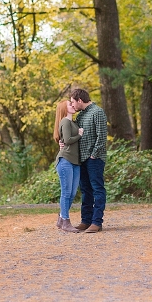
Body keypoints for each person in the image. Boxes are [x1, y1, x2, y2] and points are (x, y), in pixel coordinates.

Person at [70, 88, 107, 233]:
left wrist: (94, 154)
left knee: (97, 189)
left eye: (73, 102)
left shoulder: (97, 112)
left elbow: (102, 136)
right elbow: (75, 135)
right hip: (82, 158)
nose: (72, 105)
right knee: (85, 190)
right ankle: (86, 220)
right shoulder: (81, 116)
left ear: (80, 100)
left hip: (94, 158)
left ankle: (97, 222)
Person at [53, 99, 83, 233]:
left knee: (71, 194)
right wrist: (79, 135)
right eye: (69, 104)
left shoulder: (72, 122)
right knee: (66, 193)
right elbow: (66, 140)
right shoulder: (65, 121)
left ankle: (61, 219)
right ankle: (66, 222)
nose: (72, 105)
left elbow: (63, 140)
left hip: (75, 162)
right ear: (65, 109)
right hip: (65, 160)